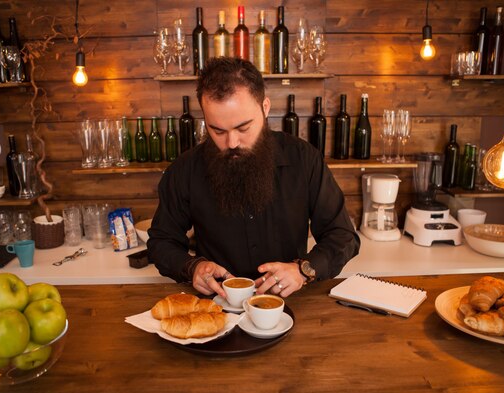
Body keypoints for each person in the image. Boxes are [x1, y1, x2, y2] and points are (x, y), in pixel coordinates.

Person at [147, 57, 359, 299]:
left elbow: (343, 235)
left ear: (265, 108)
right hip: (217, 309)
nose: (232, 143)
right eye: (217, 131)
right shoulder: (185, 169)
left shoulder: (304, 159)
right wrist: (192, 267)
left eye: (243, 128)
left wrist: (303, 270)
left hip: (290, 304)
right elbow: (161, 241)